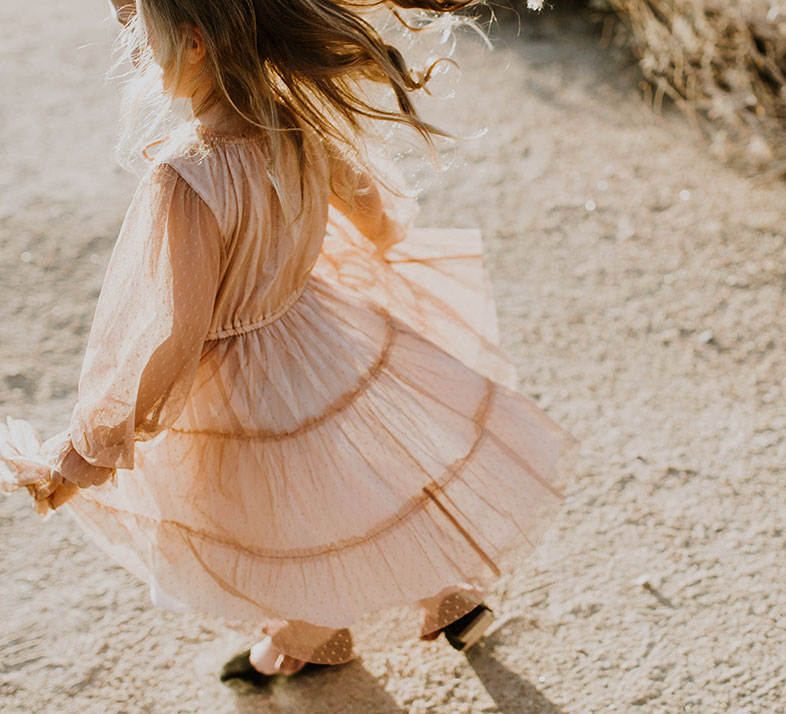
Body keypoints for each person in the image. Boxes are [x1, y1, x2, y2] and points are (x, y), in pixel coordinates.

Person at [0, 0, 577, 685]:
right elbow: (375, 214)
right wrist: (344, 247)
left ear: (191, 44)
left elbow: (164, 334)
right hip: (316, 334)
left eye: (141, 32)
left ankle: (308, 634)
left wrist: (86, 449)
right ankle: (450, 595)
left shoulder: (183, 177)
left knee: (285, 516)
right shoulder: (295, 122)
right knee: (362, 474)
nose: (130, 48)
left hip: (238, 381)